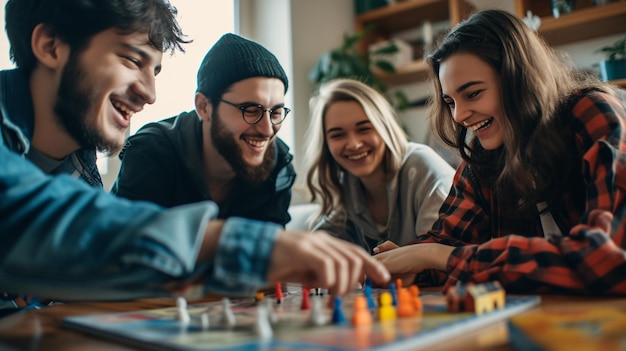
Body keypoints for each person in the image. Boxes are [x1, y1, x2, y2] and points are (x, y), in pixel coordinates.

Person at [0, 0, 390, 316]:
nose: (150, 94)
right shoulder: (145, 150)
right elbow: (36, 217)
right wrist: (249, 247)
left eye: (155, 69)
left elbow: (79, 267)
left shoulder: (79, 162)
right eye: (132, 60)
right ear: (51, 45)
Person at [373, 9, 626, 295]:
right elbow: (449, 241)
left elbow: (606, 258)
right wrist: (403, 263)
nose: (458, 116)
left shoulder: (593, 112)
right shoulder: (485, 155)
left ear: (520, 79)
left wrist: (437, 257)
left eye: (473, 94)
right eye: (450, 102)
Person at [112, 33, 295, 227]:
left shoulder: (278, 164)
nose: (267, 130)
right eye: (251, 111)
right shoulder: (152, 152)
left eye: (276, 113)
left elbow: (269, 252)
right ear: (204, 107)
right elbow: (134, 246)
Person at [303, 78, 455, 253]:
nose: (353, 144)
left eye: (364, 129)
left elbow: (439, 256)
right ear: (326, 146)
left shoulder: (423, 167)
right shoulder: (347, 185)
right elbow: (317, 251)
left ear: (384, 127)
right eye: (337, 135)